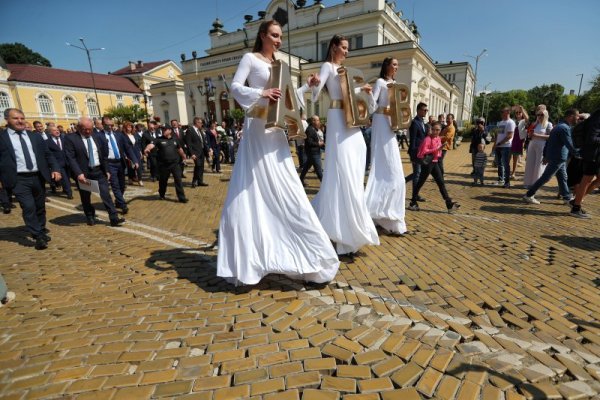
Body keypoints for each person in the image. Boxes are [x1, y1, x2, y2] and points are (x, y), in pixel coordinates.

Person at [217, 20, 339, 285]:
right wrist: (261, 92)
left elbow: (288, 96)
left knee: (287, 186)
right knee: (251, 189)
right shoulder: (250, 59)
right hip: (257, 130)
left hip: (276, 133)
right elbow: (235, 88)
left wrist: (307, 86)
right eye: (274, 35)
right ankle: (253, 256)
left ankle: (298, 250)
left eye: (280, 36)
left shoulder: (281, 66)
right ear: (262, 36)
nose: (278, 40)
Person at [310, 34, 379, 257]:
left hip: (351, 121)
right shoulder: (328, 66)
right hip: (337, 119)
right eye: (344, 47)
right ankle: (341, 233)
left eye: (348, 48)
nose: (347, 51)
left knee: (355, 167)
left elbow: (350, 94)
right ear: (334, 47)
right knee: (341, 172)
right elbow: (316, 93)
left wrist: (364, 91)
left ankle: (349, 228)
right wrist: (314, 84)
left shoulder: (347, 72)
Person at [0, 108, 61, 249]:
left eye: (22, 118)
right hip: (18, 179)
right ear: (7, 120)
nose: (20, 121)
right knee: (28, 206)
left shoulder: (34, 136)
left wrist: (55, 169)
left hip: (37, 176)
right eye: (15, 118)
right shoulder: (2, 138)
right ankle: (37, 235)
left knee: (40, 206)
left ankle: (40, 228)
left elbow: (48, 154)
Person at [364, 57, 407, 235]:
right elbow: (372, 105)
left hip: (391, 125)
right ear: (387, 66)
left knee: (397, 175)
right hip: (381, 123)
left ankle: (389, 216)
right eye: (393, 65)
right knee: (382, 166)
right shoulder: (380, 82)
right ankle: (374, 212)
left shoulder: (396, 84)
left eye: (397, 65)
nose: (396, 68)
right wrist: (367, 94)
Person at [64, 117, 124, 227]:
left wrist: (106, 170)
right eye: (84, 129)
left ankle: (113, 217)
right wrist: (78, 173)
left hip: (98, 171)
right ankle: (90, 215)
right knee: (86, 196)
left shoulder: (96, 136)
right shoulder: (71, 139)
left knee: (105, 194)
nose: (87, 132)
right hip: (84, 173)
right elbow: (70, 158)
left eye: (90, 129)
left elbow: (103, 155)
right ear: (78, 128)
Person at [523, 109, 579, 205]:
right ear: (571, 116)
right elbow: (569, 144)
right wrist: (579, 153)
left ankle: (566, 197)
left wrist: (545, 155)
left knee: (563, 178)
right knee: (546, 177)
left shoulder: (558, 126)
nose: (578, 118)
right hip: (558, 157)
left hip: (558, 157)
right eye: (577, 116)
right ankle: (529, 194)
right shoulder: (564, 128)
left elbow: (549, 142)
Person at [408, 121, 460, 212]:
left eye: (438, 130)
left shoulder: (438, 139)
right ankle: (412, 202)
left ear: (440, 130)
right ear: (431, 129)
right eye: (434, 129)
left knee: (441, 182)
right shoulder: (427, 139)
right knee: (420, 182)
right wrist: (437, 149)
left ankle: (449, 204)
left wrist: (439, 151)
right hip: (427, 163)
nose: (435, 131)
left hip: (435, 162)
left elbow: (438, 152)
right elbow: (422, 152)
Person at [96, 116, 138, 215]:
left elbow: (127, 148)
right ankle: (123, 205)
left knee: (122, 185)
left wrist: (134, 160)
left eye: (112, 125)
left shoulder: (118, 135)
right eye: (108, 125)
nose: (110, 127)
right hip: (109, 164)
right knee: (115, 185)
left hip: (120, 162)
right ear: (103, 125)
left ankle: (118, 201)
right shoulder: (98, 136)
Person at [144, 126, 188, 203]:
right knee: (163, 181)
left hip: (175, 164)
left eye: (165, 129)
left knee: (178, 180)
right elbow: (151, 145)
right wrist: (147, 149)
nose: (163, 131)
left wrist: (183, 156)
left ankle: (182, 197)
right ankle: (162, 193)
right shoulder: (158, 139)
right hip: (164, 165)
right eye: (162, 130)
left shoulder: (175, 139)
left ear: (170, 130)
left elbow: (179, 148)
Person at [570, 108, 600, 218]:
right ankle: (576, 207)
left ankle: (576, 201)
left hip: (594, 155)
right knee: (586, 180)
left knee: (594, 179)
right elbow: (592, 139)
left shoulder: (596, 117)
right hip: (591, 155)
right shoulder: (597, 119)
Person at [523, 107, 553, 188]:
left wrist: (538, 135)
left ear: (546, 115)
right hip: (532, 144)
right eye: (538, 114)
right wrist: (529, 134)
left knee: (538, 165)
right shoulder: (535, 124)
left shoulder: (548, 124)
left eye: (541, 114)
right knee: (530, 164)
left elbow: (551, 136)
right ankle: (528, 183)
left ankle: (536, 184)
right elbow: (529, 132)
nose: (539, 116)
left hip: (542, 146)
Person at [405, 102, 428, 202]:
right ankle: (415, 195)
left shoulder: (423, 122)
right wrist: (412, 153)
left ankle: (403, 181)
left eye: (426, 110)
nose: (426, 112)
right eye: (424, 110)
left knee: (417, 173)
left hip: (423, 152)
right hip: (416, 152)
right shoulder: (415, 122)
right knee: (417, 173)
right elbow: (413, 139)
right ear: (419, 110)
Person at [46, 125, 73, 199]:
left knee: (68, 177)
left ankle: (65, 189)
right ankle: (69, 193)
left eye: (57, 130)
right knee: (64, 178)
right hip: (58, 164)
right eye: (54, 130)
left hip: (67, 162)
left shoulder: (64, 139)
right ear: (50, 132)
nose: (57, 131)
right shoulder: (47, 142)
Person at [185, 117, 211, 187]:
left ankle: (200, 181)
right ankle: (194, 181)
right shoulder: (190, 130)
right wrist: (192, 153)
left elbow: (203, 142)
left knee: (201, 167)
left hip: (202, 152)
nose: (202, 124)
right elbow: (188, 143)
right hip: (195, 152)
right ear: (197, 123)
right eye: (201, 123)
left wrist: (207, 150)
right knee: (198, 166)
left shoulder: (200, 130)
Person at [493, 106, 516, 188]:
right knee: (499, 164)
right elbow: (498, 134)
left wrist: (499, 143)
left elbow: (510, 136)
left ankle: (507, 182)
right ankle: (500, 179)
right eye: (501, 111)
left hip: (506, 146)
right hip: (499, 146)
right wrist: (495, 144)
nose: (501, 113)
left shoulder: (511, 122)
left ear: (508, 112)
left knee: (506, 165)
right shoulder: (501, 122)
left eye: (503, 111)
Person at [299, 115, 324, 186]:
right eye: (317, 120)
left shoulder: (313, 128)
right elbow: (309, 142)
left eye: (318, 120)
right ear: (313, 121)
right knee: (318, 169)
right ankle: (324, 184)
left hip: (313, 152)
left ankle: (300, 180)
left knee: (306, 167)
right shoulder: (310, 130)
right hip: (313, 152)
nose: (319, 122)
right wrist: (318, 143)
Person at [510, 105, 528, 179]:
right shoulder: (512, 120)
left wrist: (522, 109)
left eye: (519, 112)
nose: (518, 114)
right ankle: (506, 172)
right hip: (511, 140)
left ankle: (513, 173)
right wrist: (514, 108)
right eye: (516, 112)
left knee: (515, 159)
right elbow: (509, 111)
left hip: (518, 141)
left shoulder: (523, 121)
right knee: (508, 158)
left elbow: (527, 118)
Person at [124, 122, 143, 186]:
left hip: (136, 151)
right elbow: (123, 146)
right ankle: (130, 178)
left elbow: (137, 143)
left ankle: (140, 179)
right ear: (125, 127)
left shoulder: (134, 134)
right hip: (128, 152)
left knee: (139, 166)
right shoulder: (123, 135)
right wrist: (125, 155)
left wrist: (140, 151)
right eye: (128, 127)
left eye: (131, 127)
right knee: (131, 166)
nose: (129, 128)